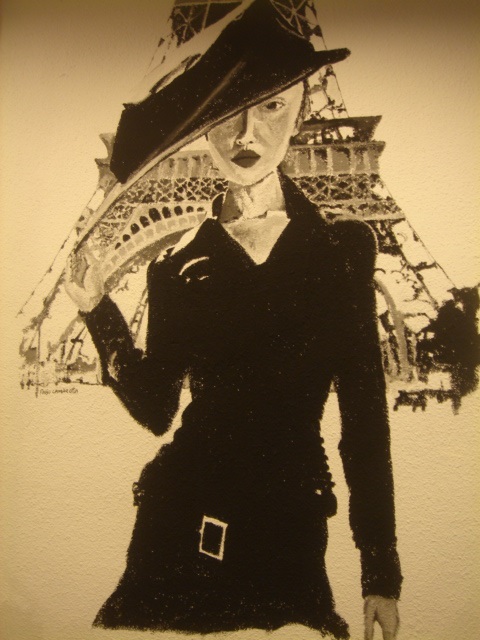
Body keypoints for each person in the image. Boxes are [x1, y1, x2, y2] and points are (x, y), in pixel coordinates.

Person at [65, 1, 402, 637]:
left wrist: (380, 570)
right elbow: (156, 408)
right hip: (176, 519)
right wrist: (96, 309)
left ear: (303, 105)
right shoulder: (177, 263)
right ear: (201, 125)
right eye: (226, 113)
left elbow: (364, 421)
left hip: (287, 524)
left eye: (270, 106)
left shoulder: (342, 249)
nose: (246, 134)